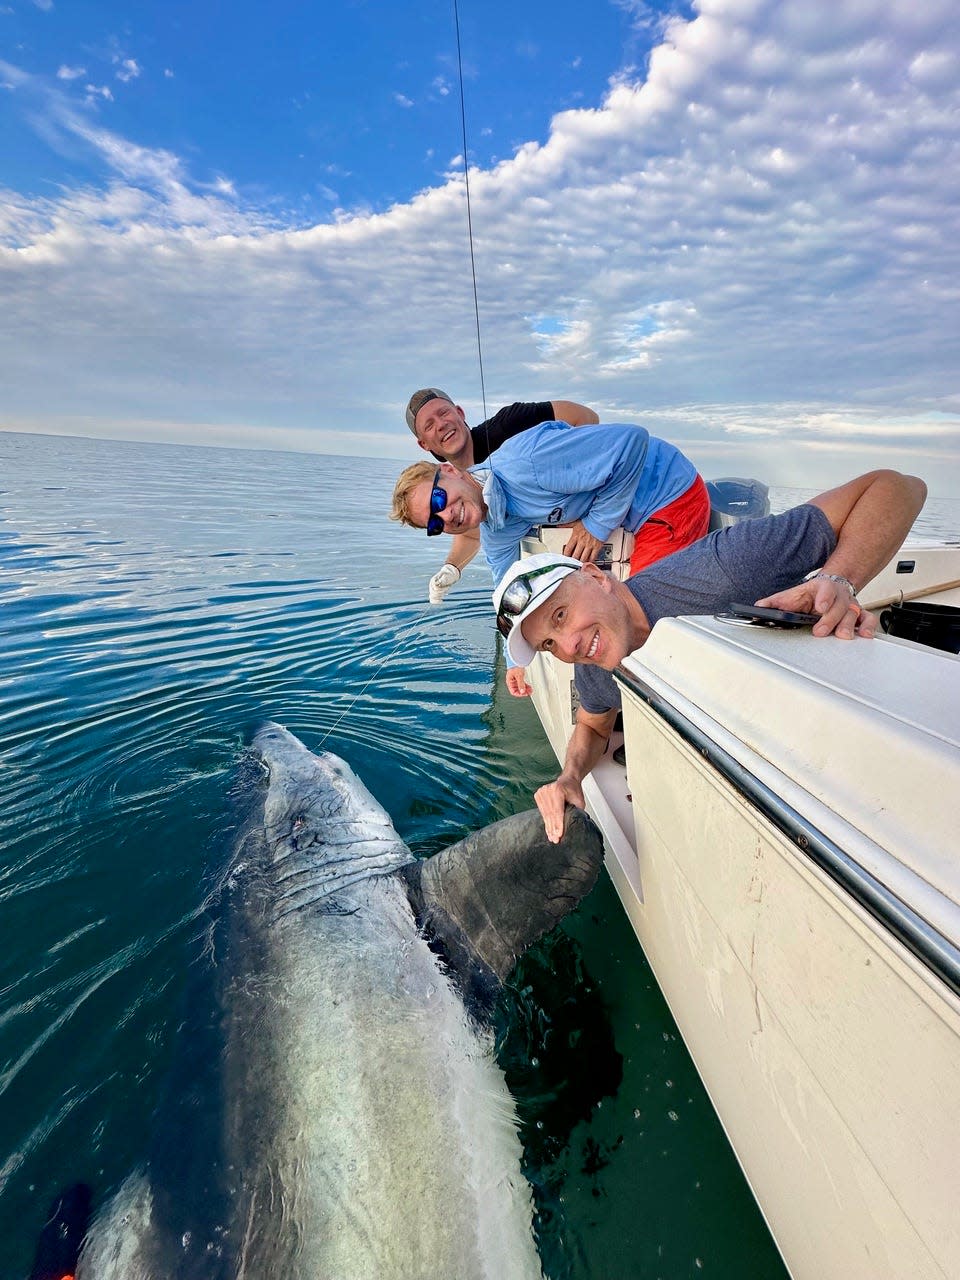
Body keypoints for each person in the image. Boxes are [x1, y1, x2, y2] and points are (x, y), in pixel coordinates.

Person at [491, 469, 928, 841]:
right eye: (549, 644)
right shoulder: (596, 663)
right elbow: (592, 724)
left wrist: (839, 580)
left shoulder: (726, 565)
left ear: (595, 576)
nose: (567, 646)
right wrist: (570, 776)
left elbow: (899, 487)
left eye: (561, 614)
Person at [390, 419, 711, 694]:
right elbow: (506, 588)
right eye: (434, 523)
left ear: (449, 470)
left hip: (669, 494)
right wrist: (515, 662)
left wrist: (597, 526)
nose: (446, 515)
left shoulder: (527, 462)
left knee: (646, 626)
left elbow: (633, 440)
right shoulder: (496, 524)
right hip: (635, 518)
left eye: (438, 498)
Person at [404, 389, 599, 604]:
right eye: (429, 426)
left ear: (460, 413)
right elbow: (472, 534)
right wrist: (452, 568)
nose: (441, 425)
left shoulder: (510, 425)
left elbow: (586, 417)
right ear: (424, 444)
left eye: (444, 413)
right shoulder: (452, 491)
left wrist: (584, 507)